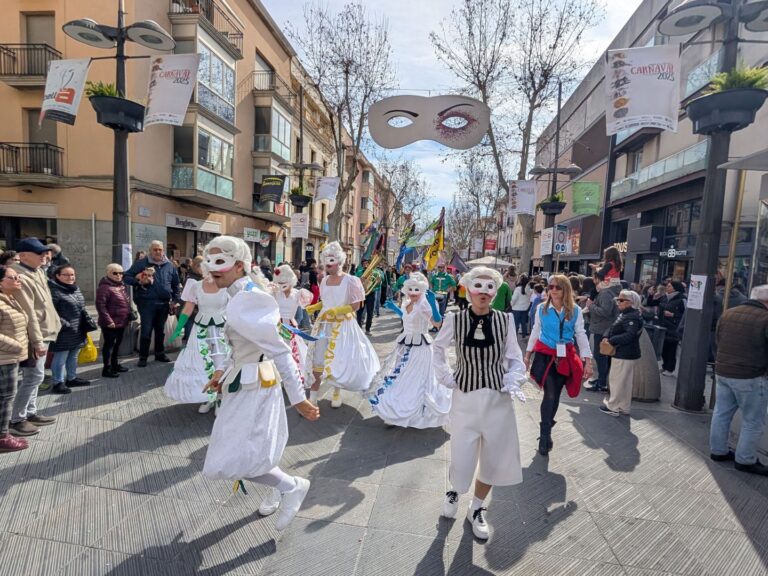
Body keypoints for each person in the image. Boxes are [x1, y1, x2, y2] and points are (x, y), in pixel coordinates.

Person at [199, 236, 319, 529]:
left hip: (256, 387)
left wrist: (299, 397)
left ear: (239, 266)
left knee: (230, 460)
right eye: (208, 261)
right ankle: (282, 488)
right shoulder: (240, 294)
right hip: (245, 383)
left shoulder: (248, 298)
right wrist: (222, 373)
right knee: (247, 453)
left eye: (220, 262)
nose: (212, 268)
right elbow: (243, 346)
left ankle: (291, 486)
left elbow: (278, 349)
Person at [433, 266, 527, 540]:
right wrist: (446, 377)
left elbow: (514, 356)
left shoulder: (505, 321)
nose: (483, 293)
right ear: (468, 289)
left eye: (489, 288)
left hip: (497, 399)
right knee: (462, 454)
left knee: (493, 457)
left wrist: (513, 379)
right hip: (466, 397)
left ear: (495, 291)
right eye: (479, 287)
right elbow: (438, 349)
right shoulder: (455, 319)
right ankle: (455, 491)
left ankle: (476, 508)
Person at [369, 273, 451, 428]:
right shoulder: (406, 302)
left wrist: (434, 304)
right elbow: (406, 317)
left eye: (417, 290)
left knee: (416, 378)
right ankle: (397, 408)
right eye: (411, 289)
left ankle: (415, 412)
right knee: (401, 376)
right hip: (405, 344)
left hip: (420, 346)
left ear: (422, 290)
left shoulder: (424, 304)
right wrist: (394, 308)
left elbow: (437, 323)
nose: (413, 293)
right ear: (406, 289)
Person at [306, 242, 381, 408]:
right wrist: (314, 307)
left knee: (340, 359)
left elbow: (357, 305)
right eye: (325, 259)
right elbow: (325, 302)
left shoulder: (351, 281)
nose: (327, 263)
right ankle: (313, 397)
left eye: (331, 259)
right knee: (318, 359)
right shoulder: (324, 280)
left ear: (340, 262)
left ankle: (336, 392)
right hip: (324, 324)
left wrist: (338, 311)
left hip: (343, 326)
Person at [526, 274, 592, 456]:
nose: (553, 290)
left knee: (555, 395)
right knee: (550, 392)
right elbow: (535, 331)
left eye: (557, 287)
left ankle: (548, 426)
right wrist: (527, 354)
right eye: (550, 287)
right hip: (545, 355)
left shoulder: (576, 310)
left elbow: (581, 335)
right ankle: (544, 434)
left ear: (566, 289)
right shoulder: (541, 308)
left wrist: (588, 360)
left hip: (565, 357)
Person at [709, 285, 768, 476]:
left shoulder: (728, 314)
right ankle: (745, 459)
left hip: (724, 371)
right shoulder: (765, 318)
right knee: (753, 420)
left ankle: (718, 451)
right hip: (750, 375)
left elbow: (717, 340)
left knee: (721, 413)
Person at [10, 238, 60, 437]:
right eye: (39, 253)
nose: (44, 256)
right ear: (23, 256)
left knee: (36, 376)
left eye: (44, 252)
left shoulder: (37, 271)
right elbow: (29, 312)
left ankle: (30, 413)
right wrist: (37, 340)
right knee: (34, 376)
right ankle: (17, 419)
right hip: (34, 334)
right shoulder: (18, 276)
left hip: (44, 331)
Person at [164, 267, 229, 414]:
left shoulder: (227, 286)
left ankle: (220, 398)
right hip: (201, 330)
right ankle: (209, 397)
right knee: (203, 364)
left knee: (221, 363)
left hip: (222, 329)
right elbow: (187, 309)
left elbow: (234, 308)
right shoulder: (195, 285)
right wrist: (177, 329)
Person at [124, 241, 181, 367]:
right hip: (146, 303)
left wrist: (175, 300)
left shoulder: (170, 265)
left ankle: (159, 354)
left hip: (164, 304)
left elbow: (176, 284)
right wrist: (138, 281)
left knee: (160, 331)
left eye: (160, 249)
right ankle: (143, 357)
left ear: (163, 251)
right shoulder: (141, 263)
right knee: (146, 330)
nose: (157, 252)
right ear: (150, 251)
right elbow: (126, 277)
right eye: (155, 249)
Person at [48, 265, 95, 394]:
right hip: (63, 331)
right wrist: (65, 324)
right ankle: (58, 382)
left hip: (78, 328)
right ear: (57, 276)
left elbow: (81, 307)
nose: (70, 277)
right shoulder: (53, 291)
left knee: (73, 356)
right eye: (66, 275)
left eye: (72, 275)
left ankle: (71, 378)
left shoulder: (75, 289)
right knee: (60, 358)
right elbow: (51, 312)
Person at [0, 266, 31, 452]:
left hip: (11, 357)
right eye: (13, 277)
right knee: (5, 398)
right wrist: (16, 346)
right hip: (5, 358)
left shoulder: (10, 299)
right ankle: (3, 437)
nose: (18, 279)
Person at [599, 290, 643, 417]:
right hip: (625, 353)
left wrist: (611, 340)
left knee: (617, 380)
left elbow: (630, 335)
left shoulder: (631, 316)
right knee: (624, 382)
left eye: (622, 300)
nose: (618, 302)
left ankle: (613, 407)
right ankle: (623, 406)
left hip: (624, 353)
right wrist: (607, 336)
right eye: (618, 300)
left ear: (631, 302)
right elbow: (614, 327)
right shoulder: (627, 314)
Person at [270, 264, 313, 382]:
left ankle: (292, 375)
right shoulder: (275, 293)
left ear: (290, 280)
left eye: (284, 282)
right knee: (278, 351)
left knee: (292, 351)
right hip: (277, 325)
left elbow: (306, 307)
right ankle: (278, 375)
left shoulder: (298, 293)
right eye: (279, 282)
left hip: (291, 325)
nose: (281, 285)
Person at [585, 278, 621, 393]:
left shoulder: (606, 293)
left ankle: (602, 382)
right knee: (603, 357)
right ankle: (602, 380)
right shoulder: (611, 292)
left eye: (597, 280)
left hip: (603, 329)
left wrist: (590, 306)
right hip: (605, 328)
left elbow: (605, 311)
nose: (595, 282)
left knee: (600, 356)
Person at [96, 264, 132, 378]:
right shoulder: (104, 287)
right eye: (115, 273)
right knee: (109, 345)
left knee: (117, 345)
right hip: (110, 323)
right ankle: (106, 369)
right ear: (107, 273)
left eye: (121, 273)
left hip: (121, 321)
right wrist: (108, 321)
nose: (119, 275)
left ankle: (115, 365)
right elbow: (101, 306)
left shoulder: (120, 286)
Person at [657, 280, 686, 376]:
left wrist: (673, 315)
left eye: (669, 286)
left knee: (671, 349)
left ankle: (670, 368)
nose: (667, 288)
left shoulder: (681, 299)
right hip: (663, 325)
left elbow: (685, 314)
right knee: (663, 348)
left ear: (675, 288)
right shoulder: (665, 297)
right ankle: (665, 366)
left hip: (674, 327)